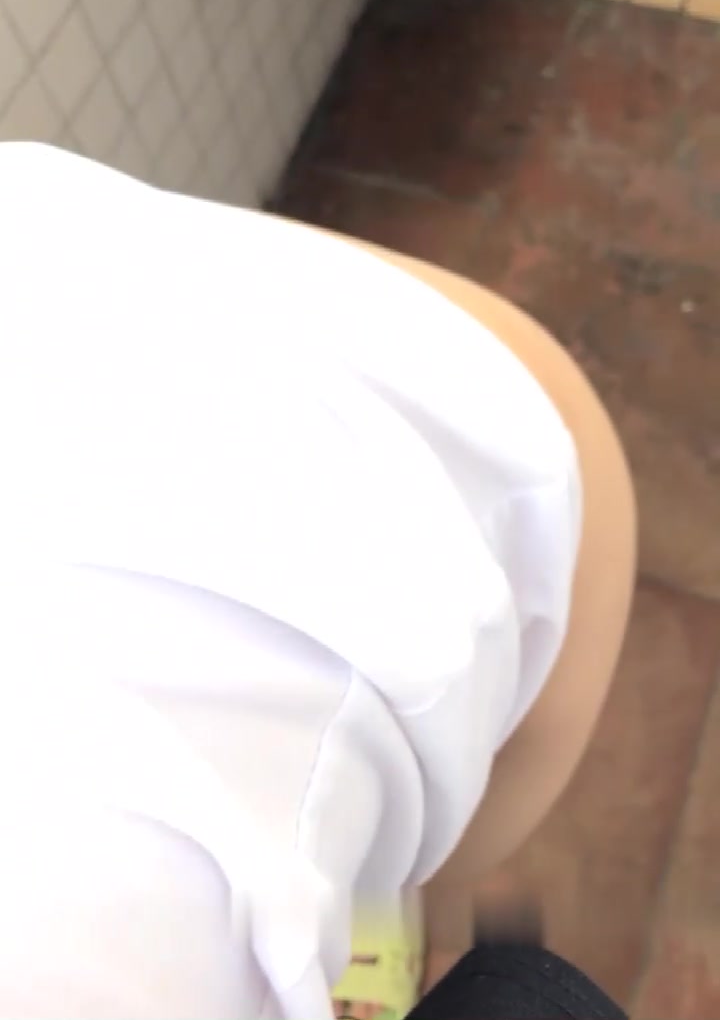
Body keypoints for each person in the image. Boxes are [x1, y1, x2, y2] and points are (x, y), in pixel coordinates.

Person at [0, 142, 635, 1019]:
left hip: (458, 460)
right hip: (100, 270)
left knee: (429, 876)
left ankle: (396, 916)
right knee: (416, 876)